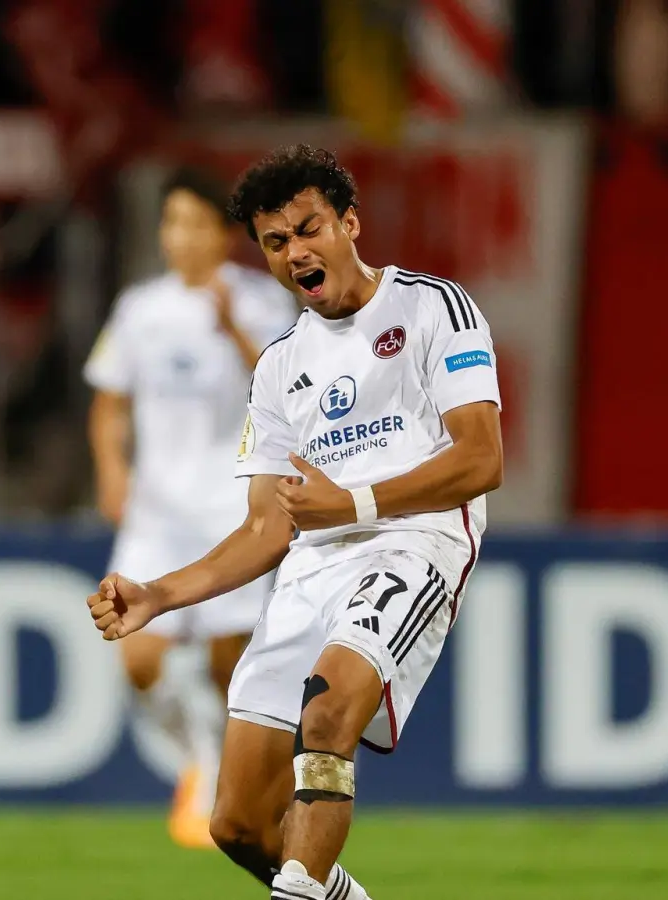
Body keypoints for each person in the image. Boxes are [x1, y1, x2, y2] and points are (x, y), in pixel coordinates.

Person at [88, 144, 503, 899]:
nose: (295, 252)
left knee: (328, 706)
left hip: (416, 544)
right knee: (238, 824)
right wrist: (158, 595)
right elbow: (263, 529)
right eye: (276, 243)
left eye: (308, 229)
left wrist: (352, 504)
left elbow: (482, 460)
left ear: (349, 223)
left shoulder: (432, 307)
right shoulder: (279, 366)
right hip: (316, 564)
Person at [83, 167, 297, 848]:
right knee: (138, 658)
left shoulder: (263, 301)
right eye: (170, 222)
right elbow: (108, 403)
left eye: (194, 223)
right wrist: (113, 469)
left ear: (220, 234)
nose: (180, 237)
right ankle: (200, 759)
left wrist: (233, 328)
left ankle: (221, 773)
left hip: (231, 507)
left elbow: (289, 391)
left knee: (228, 667)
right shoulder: (139, 310)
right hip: (157, 510)